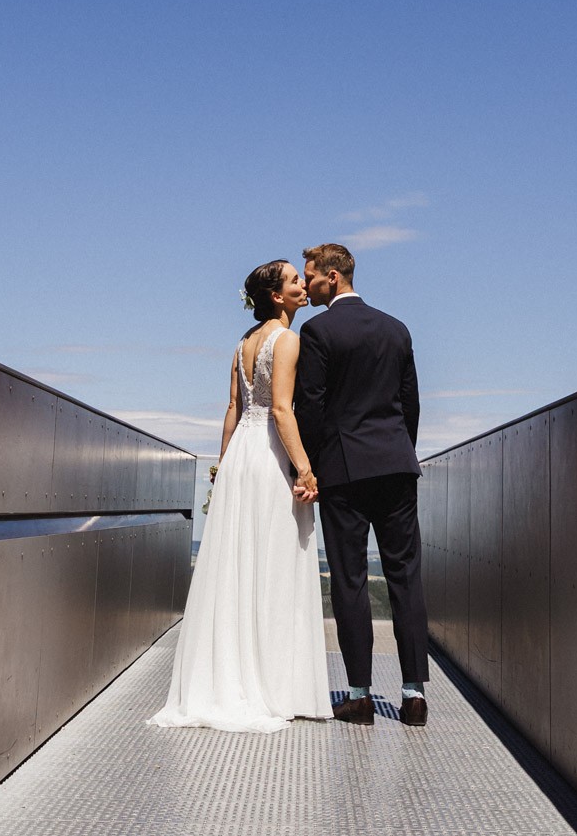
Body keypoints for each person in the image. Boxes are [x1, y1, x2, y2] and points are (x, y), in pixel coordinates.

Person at [148, 260, 330, 732]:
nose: (301, 287)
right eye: (294, 281)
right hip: (269, 455)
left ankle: (229, 674)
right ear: (276, 296)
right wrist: (306, 469)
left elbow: (234, 407)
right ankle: (272, 684)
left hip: (240, 458)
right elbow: (283, 411)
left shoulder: (242, 342)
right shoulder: (287, 341)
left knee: (237, 563)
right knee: (274, 563)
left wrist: (222, 464)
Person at [296, 242, 428, 726]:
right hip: (396, 464)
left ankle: (360, 696)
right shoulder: (397, 329)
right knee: (405, 576)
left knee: (349, 580)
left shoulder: (318, 330)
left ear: (332, 277)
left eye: (310, 276)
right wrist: (398, 449)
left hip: (344, 471)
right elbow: (410, 403)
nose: (306, 284)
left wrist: (307, 467)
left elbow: (309, 406)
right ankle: (414, 697)